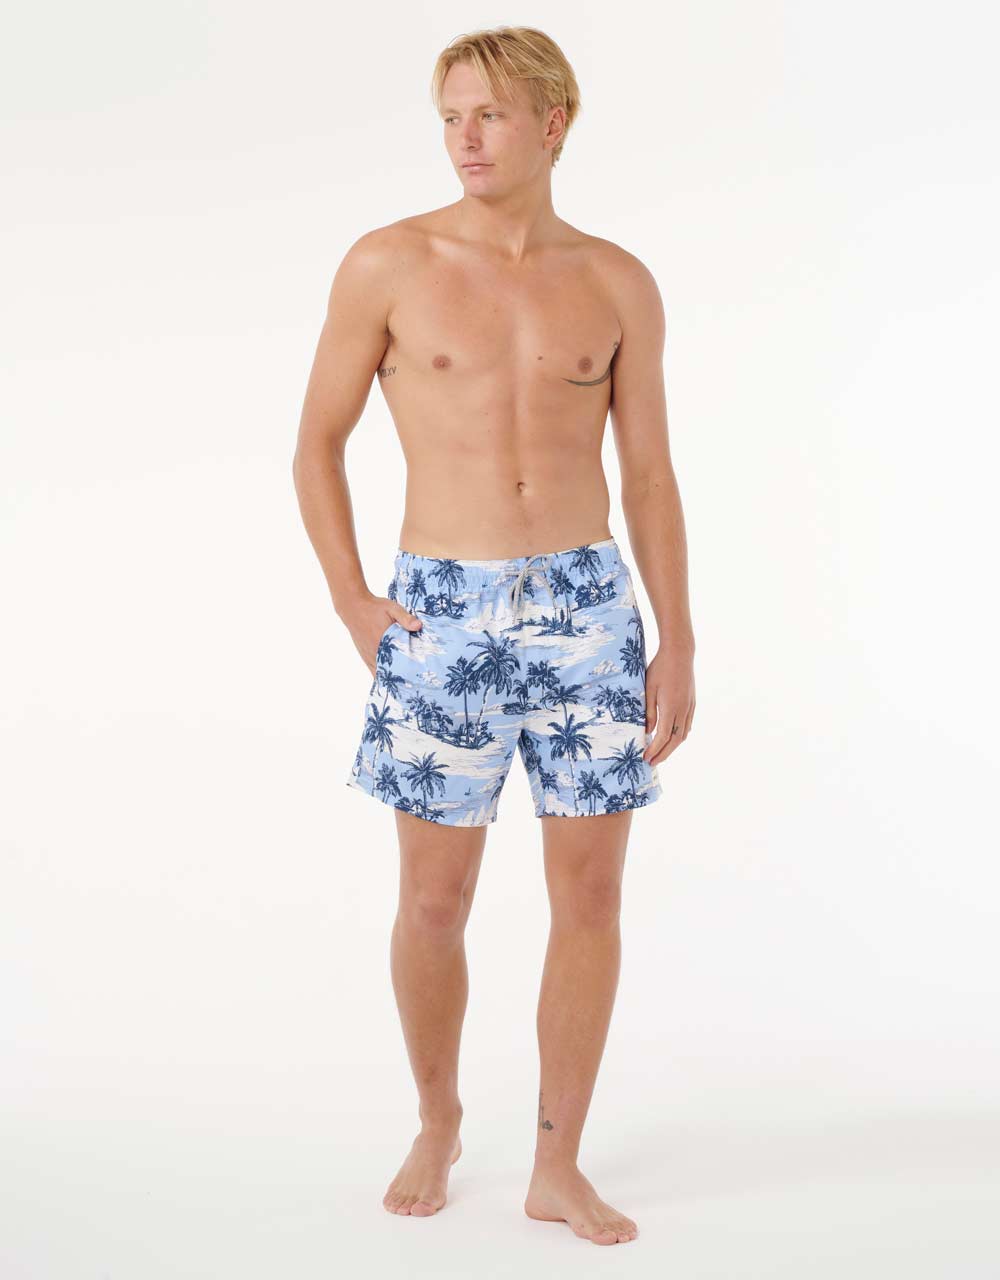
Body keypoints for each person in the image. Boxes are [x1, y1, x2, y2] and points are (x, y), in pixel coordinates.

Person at [292, 24, 696, 1247]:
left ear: (553, 124)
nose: (465, 139)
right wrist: (353, 598)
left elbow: (651, 474)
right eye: (450, 118)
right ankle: (438, 1117)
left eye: (490, 116)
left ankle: (557, 1163)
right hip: (442, 609)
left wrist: (677, 637)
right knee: (434, 898)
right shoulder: (389, 262)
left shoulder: (616, 281)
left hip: (587, 608)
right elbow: (316, 443)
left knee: (591, 892)